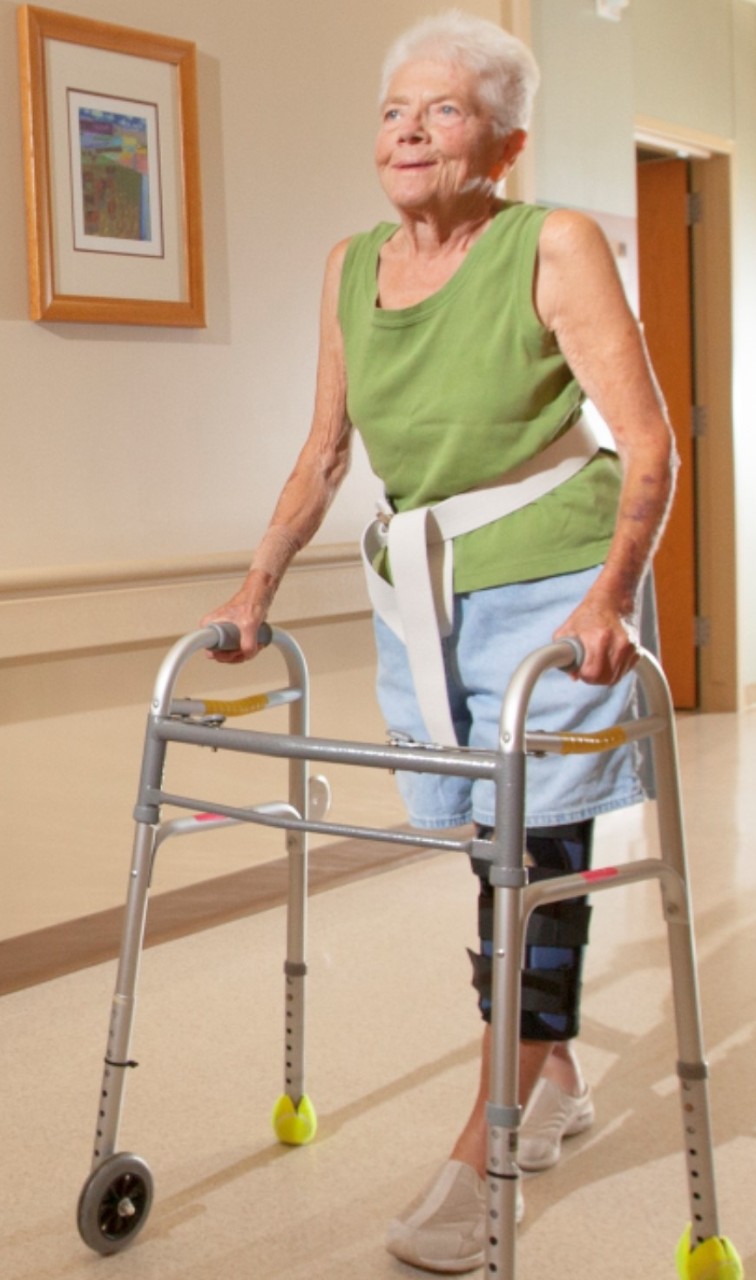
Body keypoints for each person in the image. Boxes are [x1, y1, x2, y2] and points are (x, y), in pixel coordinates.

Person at [202, 10, 676, 1273]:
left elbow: (650, 440)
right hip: (421, 592)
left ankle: (486, 1137)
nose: (408, 130)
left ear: (506, 144)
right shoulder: (352, 264)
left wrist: (612, 595)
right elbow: (325, 450)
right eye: (393, 110)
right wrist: (256, 585)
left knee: (538, 850)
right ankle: (555, 1064)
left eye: (444, 110)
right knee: (486, 849)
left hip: (554, 591)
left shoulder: (552, 242)